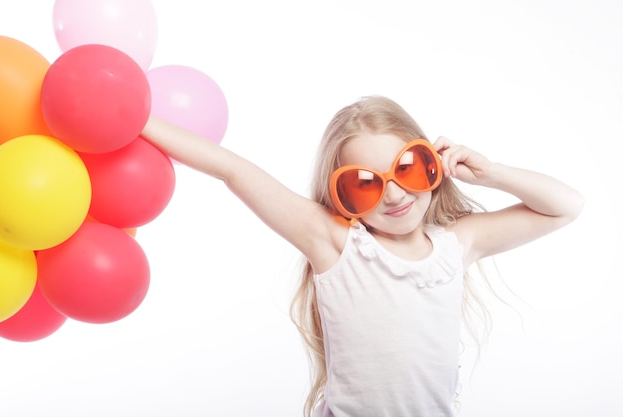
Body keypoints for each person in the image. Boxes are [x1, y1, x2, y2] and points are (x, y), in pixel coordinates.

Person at [140, 96, 584, 417]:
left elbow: (566, 206)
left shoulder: (456, 245)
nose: (393, 194)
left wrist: (490, 172)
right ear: (340, 194)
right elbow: (231, 170)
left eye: (407, 168)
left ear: (432, 164)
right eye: (364, 183)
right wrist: (132, 117)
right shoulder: (336, 243)